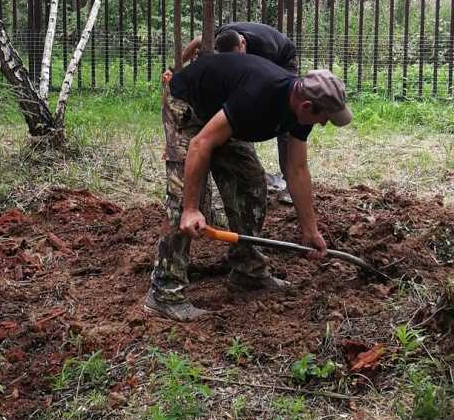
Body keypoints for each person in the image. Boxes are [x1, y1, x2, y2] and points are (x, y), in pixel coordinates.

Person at [145, 55, 352, 321]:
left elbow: (297, 170)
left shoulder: (301, 113)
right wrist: (191, 208)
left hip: (223, 113)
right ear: (307, 105)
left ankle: (247, 271)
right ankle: (164, 293)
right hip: (189, 106)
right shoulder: (259, 95)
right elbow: (200, 144)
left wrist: (310, 230)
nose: (323, 123)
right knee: (184, 201)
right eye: (324, 117)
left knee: (252, 185)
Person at [182, 22, 298, 200]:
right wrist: (175, 67)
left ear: (243, 43)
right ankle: (248, 166)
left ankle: (290, 184)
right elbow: (198, 41)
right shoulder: (219, 39)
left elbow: (264, 86)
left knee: (284, 119)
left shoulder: (263, 49)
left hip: (282, 60)